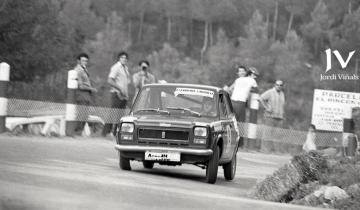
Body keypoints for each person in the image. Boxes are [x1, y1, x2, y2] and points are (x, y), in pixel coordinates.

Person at [102, 51, 131, 137]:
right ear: (119, 58)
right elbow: (110, 80)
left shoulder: (125, 68)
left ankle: (115, 133)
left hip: (124, 96)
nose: (124, 59)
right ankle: (105, 133)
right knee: (113, 113)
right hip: (116, 94)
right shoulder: (116, 67)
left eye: (125, 58)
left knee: (121, 115)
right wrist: (120, 88)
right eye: (122, 57)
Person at [73, 53, 97, 135]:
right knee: (81, 114)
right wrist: (91, 89)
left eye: (86, 61)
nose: (85, 62)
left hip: (86, 94)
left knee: (85, 115)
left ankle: (79, 132)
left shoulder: (84, 69)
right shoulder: (78, 70)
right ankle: (76, 132)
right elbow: (80, 86)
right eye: (83, 60)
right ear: (78, 61)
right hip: (81, 93)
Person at [259, 80, 286, 152]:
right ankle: (264, 150)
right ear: (275, 85)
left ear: (282, 86)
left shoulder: (282, 94)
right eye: (277, 85)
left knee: (277, 135)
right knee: (267, 134)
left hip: (279, 118)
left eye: (281, 85)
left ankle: (276, 151)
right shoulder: (270, 92)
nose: (279, 86)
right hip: (270, 117)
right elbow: (261, 98)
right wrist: (266, 107)